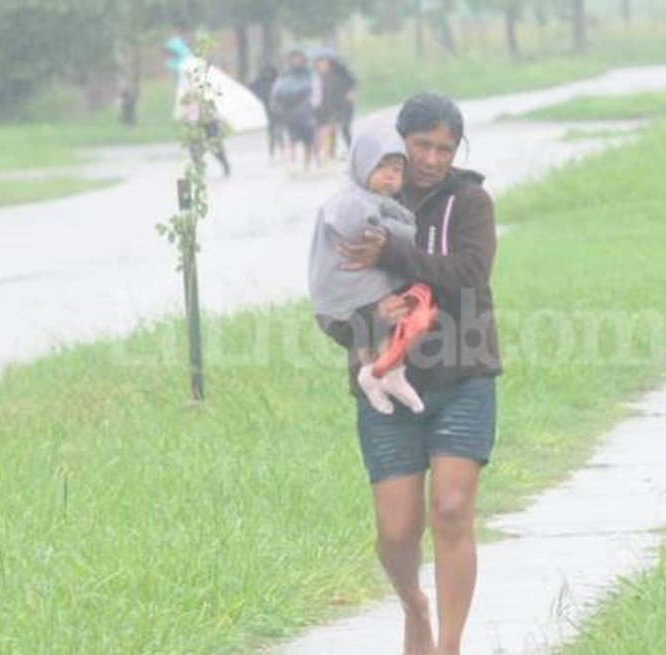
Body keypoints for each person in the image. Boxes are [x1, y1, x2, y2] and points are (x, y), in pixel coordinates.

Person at [327, 92, 500, 655]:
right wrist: (367, 322)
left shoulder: (469, 201)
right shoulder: (361, 203)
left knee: (451, 510)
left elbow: (470, 274)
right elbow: (330, 297)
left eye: (444, 148)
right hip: (385, 383)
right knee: (396, 534)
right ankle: (414, 607)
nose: (431, 159)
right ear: (398, 142)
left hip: (464, 376)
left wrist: (394, 257)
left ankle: (448, 645)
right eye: (421, 145)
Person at [309, 126, 431, 416]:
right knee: (385, 320)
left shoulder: (374, 200)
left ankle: (376, 373)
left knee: (388, 327)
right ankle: (383, 374)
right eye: (381, 167)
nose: (390, 176)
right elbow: (362, 228)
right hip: (345, 295)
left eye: (397, 169)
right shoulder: (351, 199)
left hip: (356, 293)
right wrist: (403, 232)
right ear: (361, 164)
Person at [270, 49, 318, 168]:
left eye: (298, 58)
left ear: (303, 60)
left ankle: (308, 163)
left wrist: (314, 107)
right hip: (289, 113)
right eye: (293, 58)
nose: (296, 61)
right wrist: (276, 106)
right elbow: (276, 92)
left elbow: (317, 92)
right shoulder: (284, 76)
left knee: (309, 139)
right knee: (292, 139)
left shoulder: (311, 75)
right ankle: (293, 163)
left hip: (307, 112)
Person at [249, 64, 283, 160]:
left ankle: (279, 149)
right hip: (267, 110)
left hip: (275, 110)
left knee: (276, 131)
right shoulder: (260, 84)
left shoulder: (277, 83)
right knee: (273, 131)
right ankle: (274, 150)